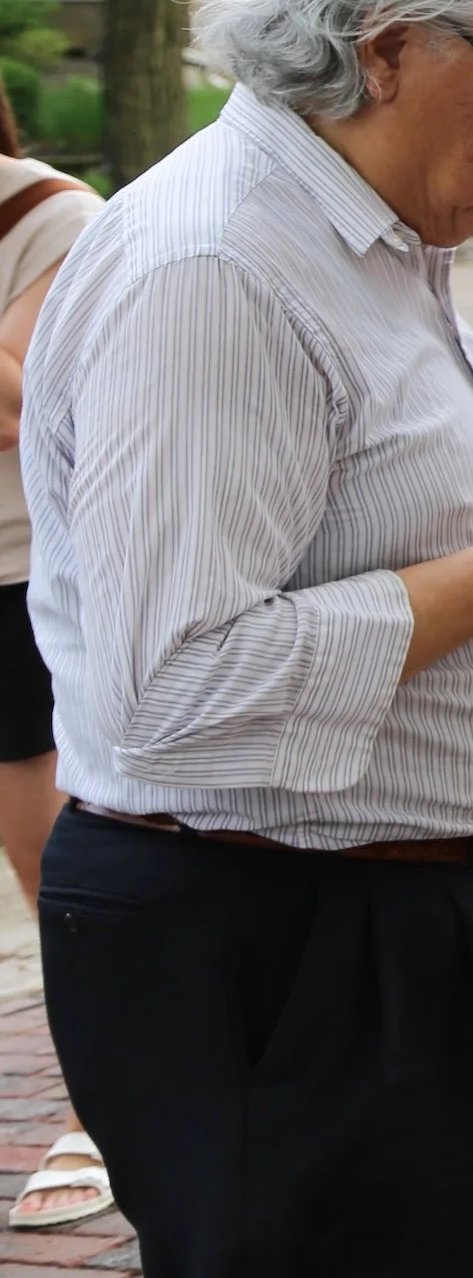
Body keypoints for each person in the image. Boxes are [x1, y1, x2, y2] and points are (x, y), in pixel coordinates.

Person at [19, 0, 473, 1277]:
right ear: (387, 50)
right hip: (294, 943)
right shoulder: (219, 272)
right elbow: (170, 692)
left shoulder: (368, 234)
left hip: (391, 925)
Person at [0, 90, 109, 1231]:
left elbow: (20, 405)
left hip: (12, 584)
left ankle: (102, 1110)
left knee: (58, 880)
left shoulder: (48, 215)